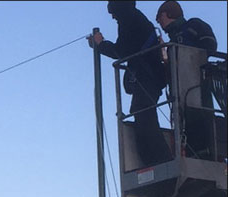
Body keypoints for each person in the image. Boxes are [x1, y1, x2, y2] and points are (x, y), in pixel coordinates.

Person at [90, 1, 172, 167]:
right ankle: (155, 159)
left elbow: (122, 51)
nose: (113, 17)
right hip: (150, 75)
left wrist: (101, 44)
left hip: (147, 76)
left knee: (143, 113)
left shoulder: (129, 19)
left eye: (113, 13)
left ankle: (159, 160)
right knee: (142, 112)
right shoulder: (134, 18)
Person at [156, 0, 219, 160]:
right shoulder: (172, 42)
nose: (159, 22)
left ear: (167, 13)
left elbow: (209, 43)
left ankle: (206, 153)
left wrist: (192, 57)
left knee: (199, 117)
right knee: (184, 122)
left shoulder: (193, 25)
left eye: (160, 17)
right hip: (179, 89)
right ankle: (192, 153)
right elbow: (171, 65)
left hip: (197, 83)